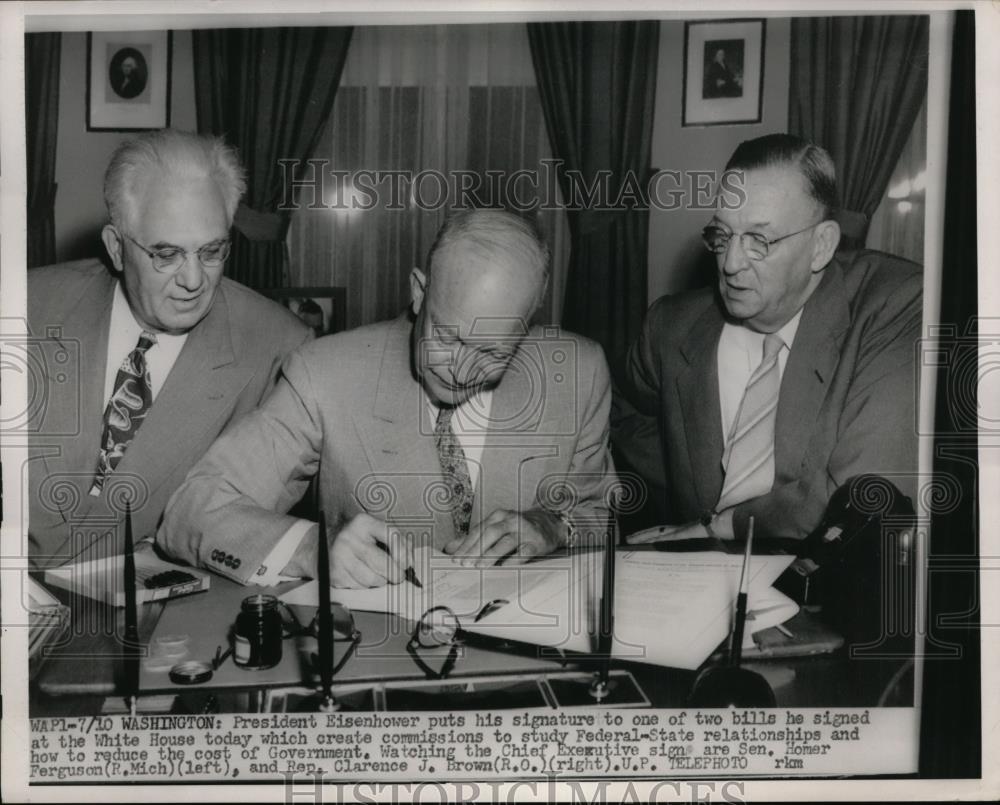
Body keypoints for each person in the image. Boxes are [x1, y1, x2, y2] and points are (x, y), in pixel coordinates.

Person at [160, 209, 616, 588]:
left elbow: (604, 513)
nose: (461, 370)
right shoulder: (325, 374)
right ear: (419, 292)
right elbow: (193, 509)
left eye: (494, 351)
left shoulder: (578, 375)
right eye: (448, 338)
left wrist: (554, 526)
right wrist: (312, 550)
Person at [614, 133, 921, 544]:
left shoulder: (895, 303)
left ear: (821, 246)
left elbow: (862, 500)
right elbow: (620, 417)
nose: (731, 264)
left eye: (759, 240)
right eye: (722, 236)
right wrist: (679, 486)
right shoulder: (671, 327)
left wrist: (717, 525)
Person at [27, 129, 311, 569]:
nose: (194, 280)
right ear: (116, 248)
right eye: (167, 254)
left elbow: (240, 528)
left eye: (212, 251)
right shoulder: (25, 306)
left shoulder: (280, 349)